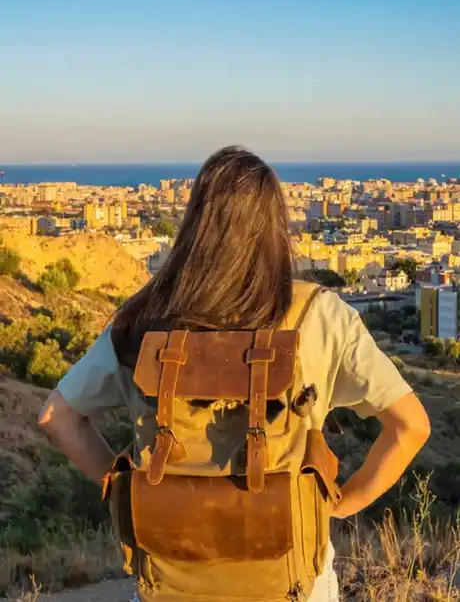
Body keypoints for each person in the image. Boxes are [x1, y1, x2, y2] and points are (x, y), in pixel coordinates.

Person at [39, 146, 431, 601]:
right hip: (292, 580)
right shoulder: (319, 315)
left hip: (172, 578)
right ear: (274, 225)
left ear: (194, 223)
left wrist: (127, 491)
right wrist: (338, 506)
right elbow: (411, 427)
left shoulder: (143, 319)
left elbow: (57, 420)